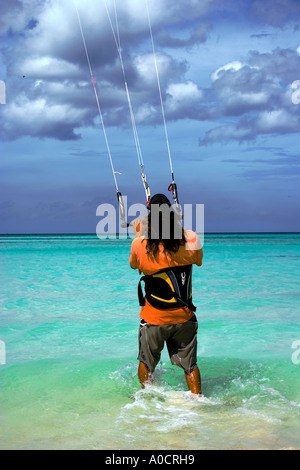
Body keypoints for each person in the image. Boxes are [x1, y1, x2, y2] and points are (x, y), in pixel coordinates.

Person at [129, 194, 203, 395]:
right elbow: (197, 259)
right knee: (190, 366)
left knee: (146, 362)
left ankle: (148, 400)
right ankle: (197, 403)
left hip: (154, 319)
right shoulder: (191, 239)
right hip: (184, 317)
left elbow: (135, 265)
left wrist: (140, 230)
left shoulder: (140, 244)